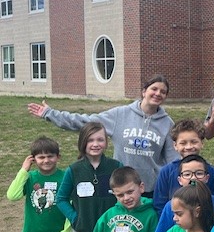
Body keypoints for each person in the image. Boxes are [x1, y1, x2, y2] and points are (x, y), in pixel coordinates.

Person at [27, 75, 179, 192]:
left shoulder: (167, 123)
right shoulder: (120, 114)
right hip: (122, 185)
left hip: (151, 188)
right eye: (154, 89)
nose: (158, 93)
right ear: (144, 91)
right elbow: (84, 122)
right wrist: (50, 114)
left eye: (163, 92)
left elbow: (173, 160)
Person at [152, 118, 214, 216]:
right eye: (183, 143)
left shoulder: (211, 172)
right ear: (175, 145)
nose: (188, 147)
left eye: (194, 142)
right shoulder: (166, 172)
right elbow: (159, 204)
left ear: (202, 143)